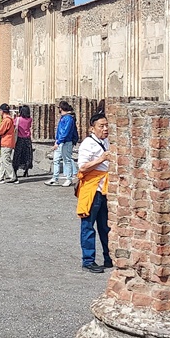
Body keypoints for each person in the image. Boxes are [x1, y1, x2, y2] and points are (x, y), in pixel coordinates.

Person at [75, 112, 112, 273]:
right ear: (92, 128)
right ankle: (88, 260)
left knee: (106, 226)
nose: (105, 129)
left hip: (105, 188)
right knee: (88, 226)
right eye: (101, 126)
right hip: (93, 189)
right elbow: (82, 167)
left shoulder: (106, 141)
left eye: (106, 125)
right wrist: (101, 159)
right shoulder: (87, 144)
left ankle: (109, 257)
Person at [48, 101, 80, 187]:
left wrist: (58, 142)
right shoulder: (63, 117)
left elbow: (65, 131)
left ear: (61, 108)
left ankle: (69, 179)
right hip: (59, 141)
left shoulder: (69, 118)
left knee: (67, 160)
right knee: (56, 160)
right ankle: (55, 178)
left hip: (66, 142)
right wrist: (57, 140)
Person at [0, 104, 18, 183]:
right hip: (8, 142)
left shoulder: (6, 120)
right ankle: (0, 177)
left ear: (2, 111)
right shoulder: (8, 119)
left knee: (6, 160)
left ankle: (13, 177)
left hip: (6, 142)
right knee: (2, 160)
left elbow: (1, 131)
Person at [13, 105, 34, 178]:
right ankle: (26, 170)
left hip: (20, 139)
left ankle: (15, 171)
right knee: (27, 155)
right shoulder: (30, 119)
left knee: (18, 155)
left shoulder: (18, 119)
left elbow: (14, 126)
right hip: (27, 139)